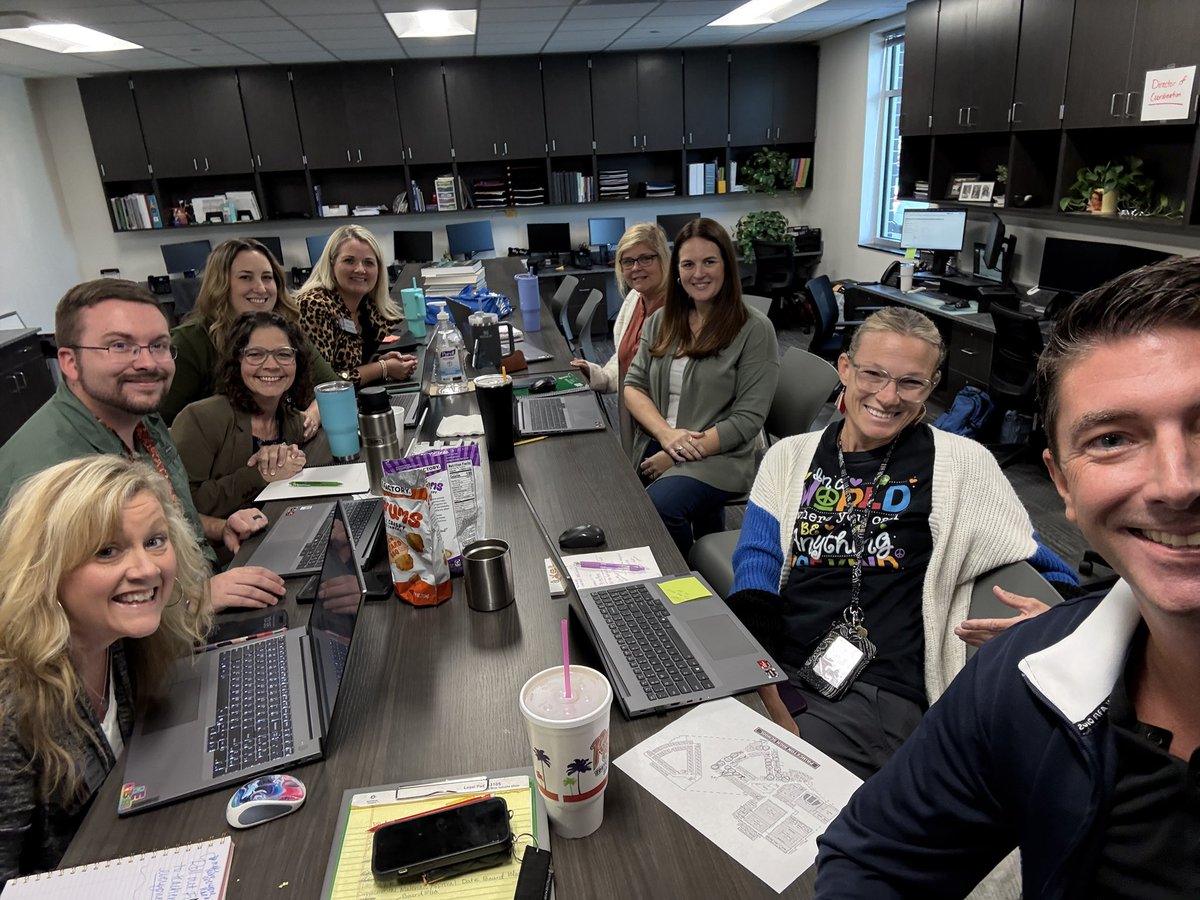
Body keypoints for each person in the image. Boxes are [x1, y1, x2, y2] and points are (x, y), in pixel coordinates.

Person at [815, 256, 1200, 899]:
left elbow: (1019, 542)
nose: (1177, 483)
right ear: (1062, 482)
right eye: (1111, 439)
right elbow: (871, 860)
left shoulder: (956, 464)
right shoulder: (1021, 683)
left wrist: (1067, 612)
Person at [726, 306, 1065, 780]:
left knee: (748, 785)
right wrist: (756, 676)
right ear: (845, 369)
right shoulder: (789, 457)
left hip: (875, 692)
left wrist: (1061, 619)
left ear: (932, 386)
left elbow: (1037, 562)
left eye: (911, 382)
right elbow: (757, 561)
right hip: (781, 663)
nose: (888, 397)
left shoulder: (961, 465)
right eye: (873, 374)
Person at [0, 278, 286, 612]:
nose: (148, 363)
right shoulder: (52, 467)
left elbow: (163, 523)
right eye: (120, 346)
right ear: (69, 362)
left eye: (159, 345)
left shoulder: (141, 419)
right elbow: (49, 619)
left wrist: (220, 527)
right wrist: (194, 600)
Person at [0, 456, 212, 884]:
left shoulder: (121, 640)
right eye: (107, 551)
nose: (147, 570)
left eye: (155, 541)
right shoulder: (10, 707)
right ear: (45, 570)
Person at [623, 217, 779, 556]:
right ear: (676, 271)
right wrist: (666, 435)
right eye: (688, 264)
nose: (699, 273)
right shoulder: (662, 321)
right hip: (661, 440)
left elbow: (748, 420)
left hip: (722, 455)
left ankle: (690, 586)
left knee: (658, 509)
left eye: (709, 261)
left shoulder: (754, 329)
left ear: (727, 265)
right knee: (619, 504)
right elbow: (633, 387)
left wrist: (675, 454)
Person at [160, 238, 339, 429]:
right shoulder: (190, 341)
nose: (261, 288)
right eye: (246, 277)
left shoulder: (286, 331)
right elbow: (158, 422)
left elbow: (335, 389)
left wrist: (311, 417)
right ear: (221, 284)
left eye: (267, 278)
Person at [171, 312, 332, 518]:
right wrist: (259, 475)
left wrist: (294, 458)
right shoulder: (200, 419)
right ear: (237, 361)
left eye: (283, 354)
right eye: (255, 354)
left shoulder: (292, 422)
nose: (272, 365)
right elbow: (182, 505)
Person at [570, 223, 670, 452]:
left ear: (663, 258)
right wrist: (600, 376)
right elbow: (626, 359)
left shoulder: (680, 311)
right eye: (628, 261)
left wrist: (671, 449)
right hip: (636, 424)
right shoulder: (635, 299)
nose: (636, 268)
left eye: (646, 258)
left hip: (669, 430)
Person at [296, 225, 417, 388]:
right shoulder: (313, 305)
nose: (360, 269)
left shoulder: (369, 305)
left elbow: (349, 366)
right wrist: (382, 368)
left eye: (368, 262)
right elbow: (327, 384)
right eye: (349, 261)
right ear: (332, 264)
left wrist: (379, 361)